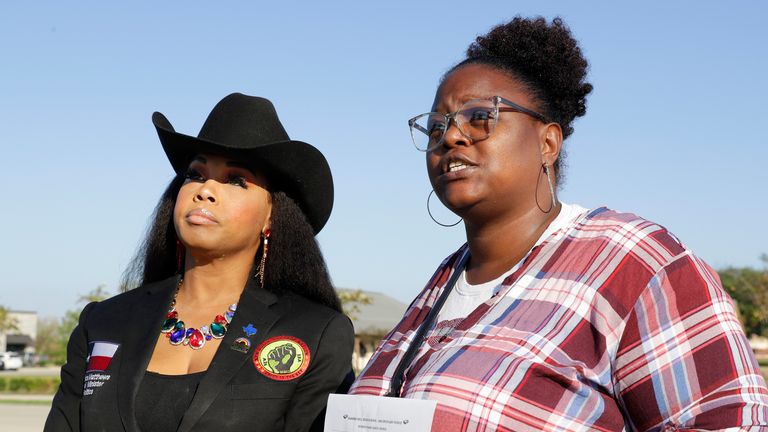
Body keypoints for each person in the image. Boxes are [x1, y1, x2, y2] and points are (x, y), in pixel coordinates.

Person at [349, 17, 768, 431]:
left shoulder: (631, 260)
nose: (451, 137)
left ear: (547, 142)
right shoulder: (438, 287)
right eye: (437, 126)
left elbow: (730, 422)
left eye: (480, 117)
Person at [45, 93, 355, 432]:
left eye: (236, 180)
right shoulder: (102, 322)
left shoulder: (317, 334)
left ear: (271, 217)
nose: (205, 190)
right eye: (195, 174)